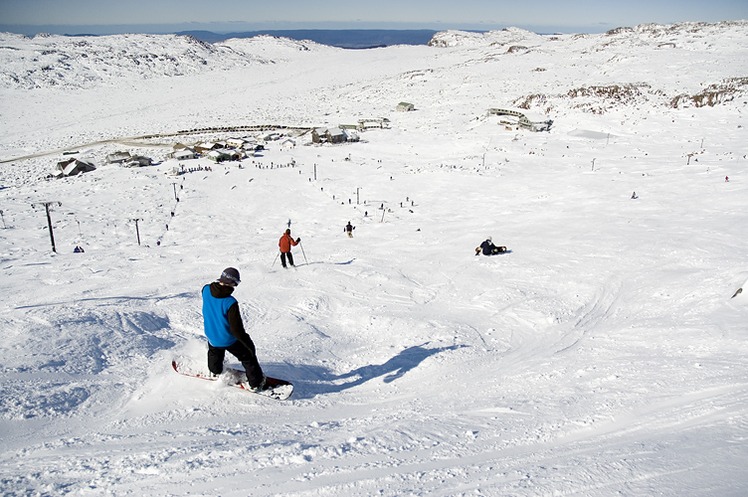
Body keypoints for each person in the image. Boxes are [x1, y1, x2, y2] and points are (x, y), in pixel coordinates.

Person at [202, 267, 266, 391]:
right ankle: (256, 383)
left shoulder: (205, 290)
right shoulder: (230, 302)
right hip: (228, 339)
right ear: (232, 283)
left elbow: (211, 297)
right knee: (248, 357)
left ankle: (215, 370)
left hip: (211, 336)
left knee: (215, 351)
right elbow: (237, 330)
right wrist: (249, 344)